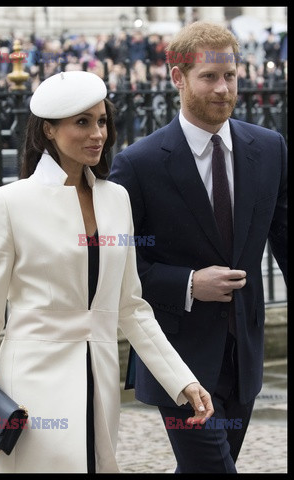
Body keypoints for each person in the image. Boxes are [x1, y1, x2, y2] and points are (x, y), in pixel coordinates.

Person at [0, 70, 214, 474]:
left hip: (99, 383)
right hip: (32, 390)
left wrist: (182, 380)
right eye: (82, 122)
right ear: (48, 131)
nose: (97, 133)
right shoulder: (9, 203)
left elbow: (131, 308)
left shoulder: (116, 199)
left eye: (102, 120)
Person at [109, 21, 287, 474]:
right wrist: (188, 283)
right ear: (177, 78)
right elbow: (119, 265)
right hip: (175, 358)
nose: (224, 88)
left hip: (243, 356)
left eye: (230, 75)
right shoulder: (139, 163)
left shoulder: (269, 149)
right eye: (209, 76)